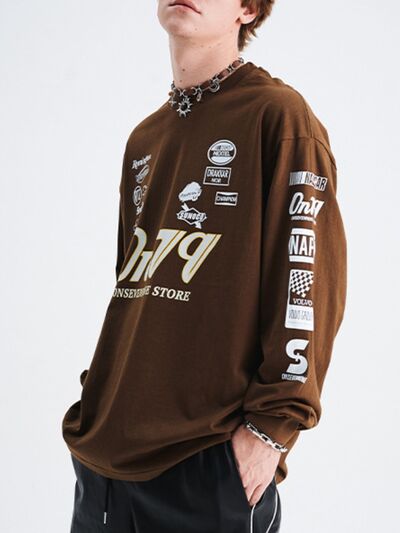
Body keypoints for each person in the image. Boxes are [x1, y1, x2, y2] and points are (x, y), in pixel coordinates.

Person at [62, 1, 347, 531]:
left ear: (247, 9)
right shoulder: (145, 137)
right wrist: (97, 402)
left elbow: (305, 282)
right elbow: (134, 281)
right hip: (104, 460)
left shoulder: (278, 116)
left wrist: (271, 430)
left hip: (207, 460)